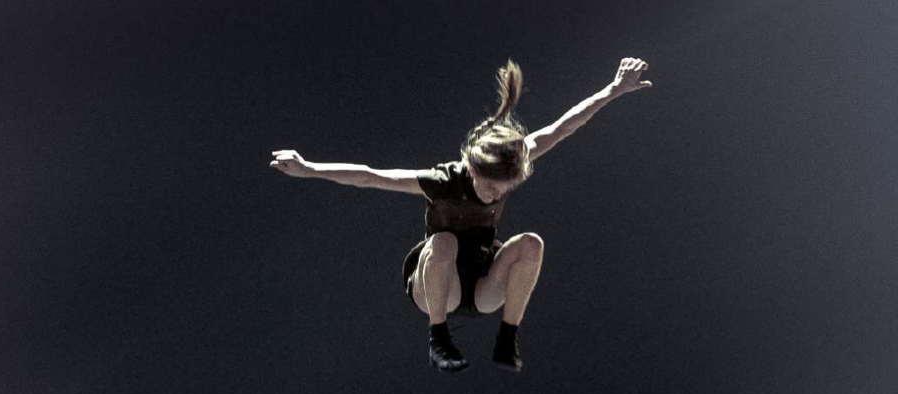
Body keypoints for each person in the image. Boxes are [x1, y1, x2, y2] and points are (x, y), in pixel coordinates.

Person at [270, 58, 652, 373]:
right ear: (471, 170)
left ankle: (507, 338)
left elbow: (564, 126)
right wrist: (309, 168)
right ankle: (438, 339)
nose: (495, 196)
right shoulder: (443, 181)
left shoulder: (514, 160)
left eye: (503, 190)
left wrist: (613, 89)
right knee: (444, 241)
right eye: (489, 187)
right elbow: (369, 176)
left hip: (483, 285)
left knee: (531, 244)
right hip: (438, 286)